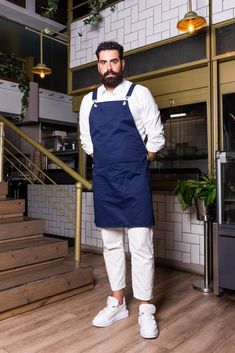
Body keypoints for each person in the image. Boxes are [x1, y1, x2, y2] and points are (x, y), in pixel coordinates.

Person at [79, 41, 165, 339]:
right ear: (98, 66)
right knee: (112, 244)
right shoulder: (89, 100)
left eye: (114, 62)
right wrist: (109, 163)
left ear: (122, 64)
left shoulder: (139, 94)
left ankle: (145, 308)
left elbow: (155, 138)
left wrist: (135, 163)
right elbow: (87, 142)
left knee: (141, 245)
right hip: (105, 179)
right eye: (103, 63)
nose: (109, 68)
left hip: (134, 178)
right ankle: (117, 302)